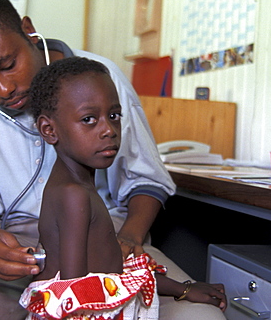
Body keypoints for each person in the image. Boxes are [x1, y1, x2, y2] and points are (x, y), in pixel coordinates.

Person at [0, 0, 225, 319]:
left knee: (202, 317)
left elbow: (145, 178)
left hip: (111, 237)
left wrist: (130, 235)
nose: (2, 89)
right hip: (9, 245)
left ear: (29, 32)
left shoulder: (100, 78)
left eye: (8, 65)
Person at [19, 56, 226, 319]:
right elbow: (74, 297)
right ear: (49, 130)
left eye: (114, 115)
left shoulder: (75, 185)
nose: (109, 130)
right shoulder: (74, 196)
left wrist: (182, 289)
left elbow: (110, 269)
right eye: (89, 119)